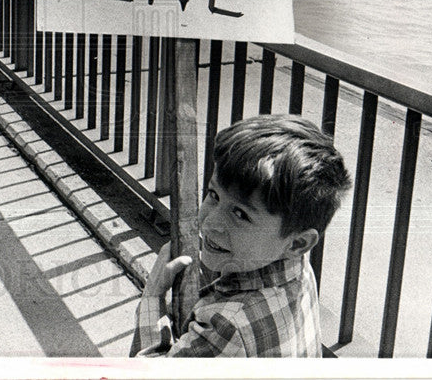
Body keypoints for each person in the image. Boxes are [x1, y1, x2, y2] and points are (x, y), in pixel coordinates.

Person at [131, 116, 351, 358]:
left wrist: (153, 296)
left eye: (240, 213)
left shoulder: (227, 326)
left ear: (299, 242)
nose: (210, 223)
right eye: (213, 194)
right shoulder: (298, 268)